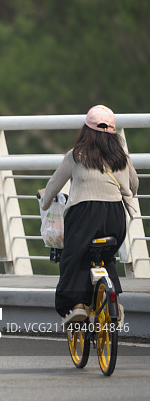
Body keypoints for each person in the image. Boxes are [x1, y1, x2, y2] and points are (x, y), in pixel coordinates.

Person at [40, 105, 138, 326]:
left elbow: (53, 186)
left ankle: (75, 306)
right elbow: (134, 185)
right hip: (115, 217)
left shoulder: (76, 156)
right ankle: (116, 304)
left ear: (86, 130)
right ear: (113, 133)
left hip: (84, 215)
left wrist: (45, 202)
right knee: (106, 257)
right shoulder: (122, 157)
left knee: (72, 258)